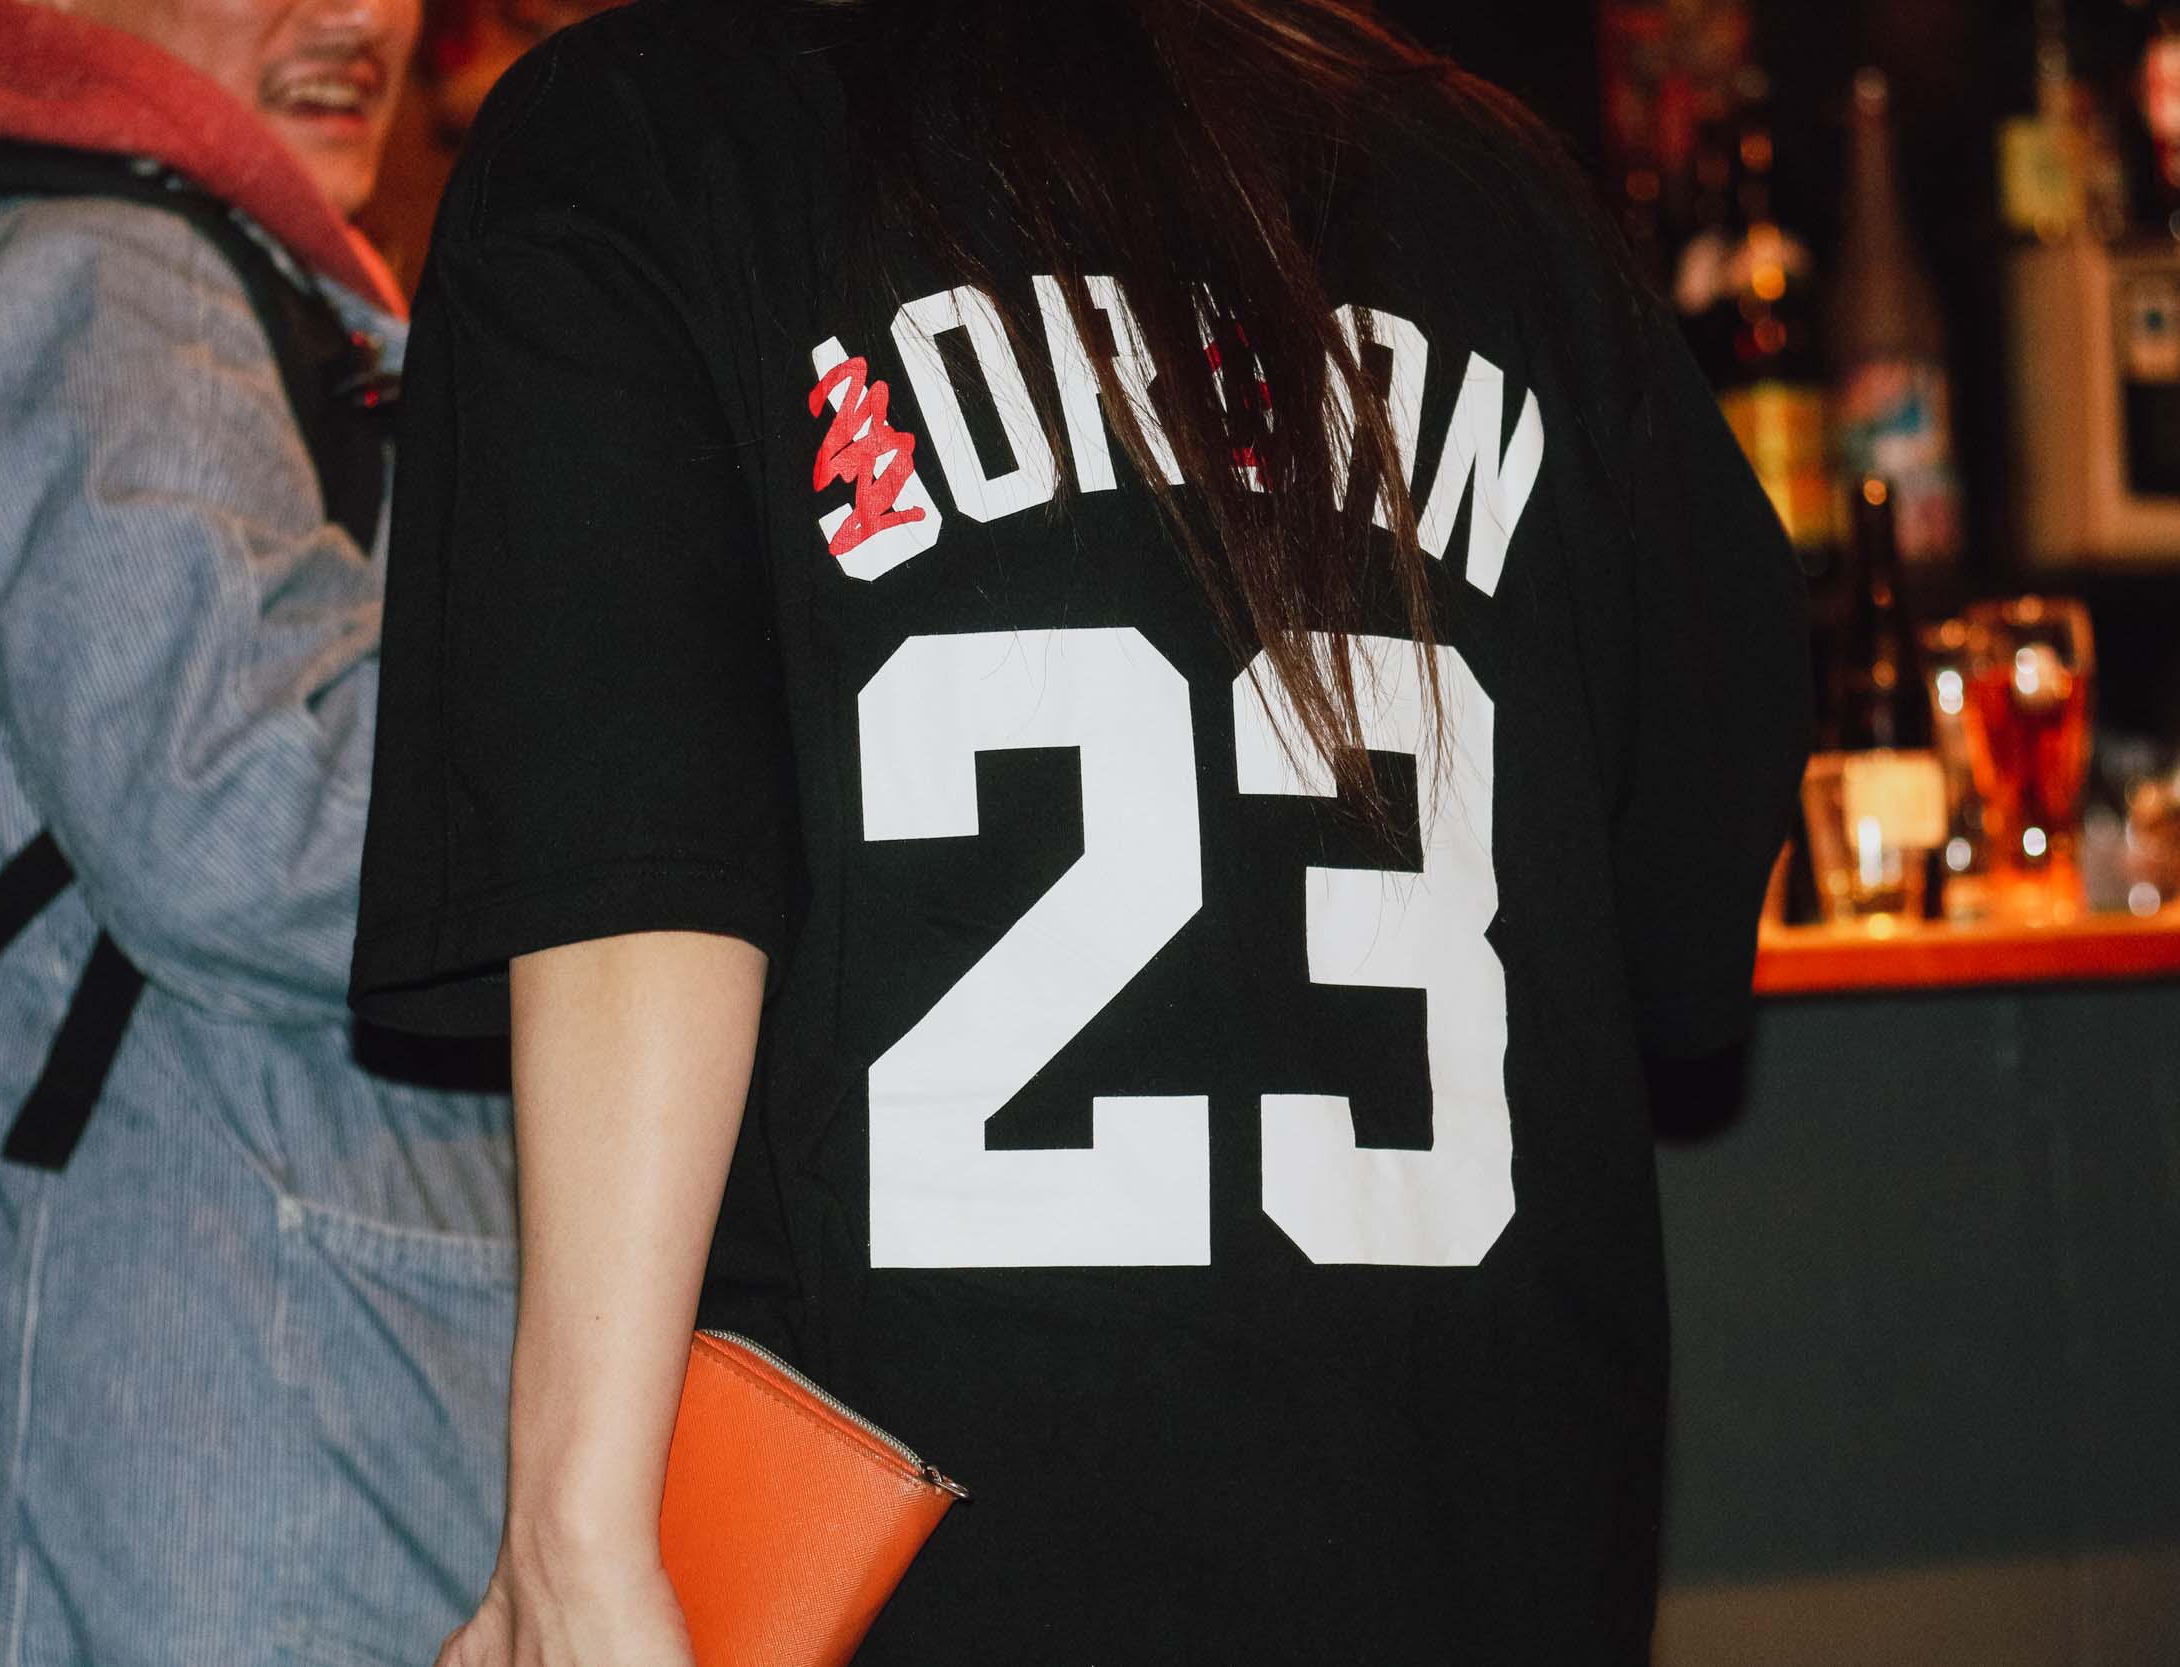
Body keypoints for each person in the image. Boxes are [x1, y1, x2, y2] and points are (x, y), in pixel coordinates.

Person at [350, 0, 1812, 1661]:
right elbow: (1685, 911)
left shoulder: (643, 132)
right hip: (1474, 1552)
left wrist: (574, 1538)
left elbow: (634, 878)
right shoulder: (1503, 193)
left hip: (920, 1569)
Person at [0, 1, 522, 1661]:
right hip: (236, 1472)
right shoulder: (103, 284)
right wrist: (670, 796)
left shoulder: (158, 267)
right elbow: (258, 818)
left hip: (269, 1432)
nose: (362, 16)